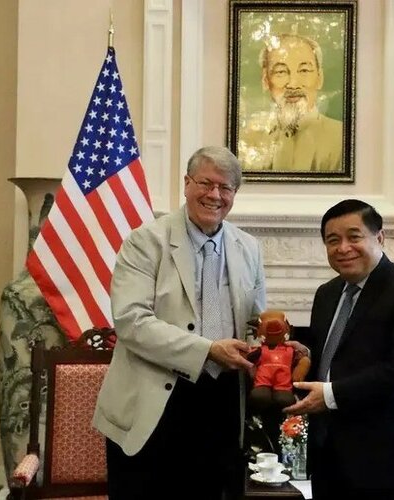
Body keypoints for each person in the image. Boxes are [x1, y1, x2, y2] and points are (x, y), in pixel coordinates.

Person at [93, 146, 267, 499]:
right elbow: (132, 322)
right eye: (206, 183)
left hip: (222, 404)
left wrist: (270, 343)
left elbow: (254, 321)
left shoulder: (249, 247)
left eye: (226, 187)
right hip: (153, 403)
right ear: (187, 184)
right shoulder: (145, 241)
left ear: (235, 194)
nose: (215, 195)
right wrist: (207, 350)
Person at [284, 199, 394, 500]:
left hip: (392, 457)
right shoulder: (327, 294)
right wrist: (304, 355)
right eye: (332, 240)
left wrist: (330, 395)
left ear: (380, 237)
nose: (343, 248)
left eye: (354, 236)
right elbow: (333, 355)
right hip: (331, 453)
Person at [239, 33, 343, 172]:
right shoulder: (247, 139)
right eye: (281, 72)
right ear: (265, 80)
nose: (293, 85)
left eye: (304, 70)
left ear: (320, 78)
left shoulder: (341, 138)